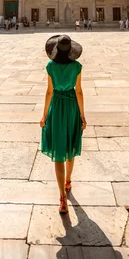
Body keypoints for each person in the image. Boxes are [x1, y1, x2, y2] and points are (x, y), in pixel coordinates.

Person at [40, 35, 86, 214]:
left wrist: (44, 115)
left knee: (58, 152)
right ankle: (68, 181)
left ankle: (62, 198)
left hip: (57, 108)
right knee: (70, 147)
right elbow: (79, 92)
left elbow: (49, 91)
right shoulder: (77, 66)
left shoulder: (51, 66)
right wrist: (83, 115)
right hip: (72, 107)